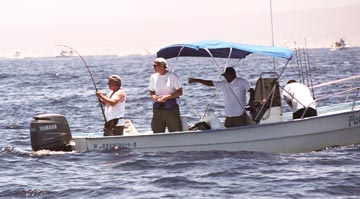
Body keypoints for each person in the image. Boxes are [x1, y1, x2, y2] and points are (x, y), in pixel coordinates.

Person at [188, 67, 255, 128]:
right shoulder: (224, 84)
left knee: (240, 132)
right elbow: (210, 83)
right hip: (228, 115)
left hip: (239, 114)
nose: (225, 77)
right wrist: (196, 80)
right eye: (225, 76)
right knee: (228, 132)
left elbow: (251, 90)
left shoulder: (241, 81)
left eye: (226, 75)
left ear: (232, 74)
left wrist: (251, 101)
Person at [149, 57, 183, 133]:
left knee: (175, 131)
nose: (153, 67)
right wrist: (153, 96)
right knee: (157, 131)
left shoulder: (172, 76)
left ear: (162, 66)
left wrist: (166, 97)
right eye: (153, 65)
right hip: (158, 109)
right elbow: (151, 91)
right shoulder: (153, 77)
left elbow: (180, 92)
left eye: (155, 65)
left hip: (171, 108)